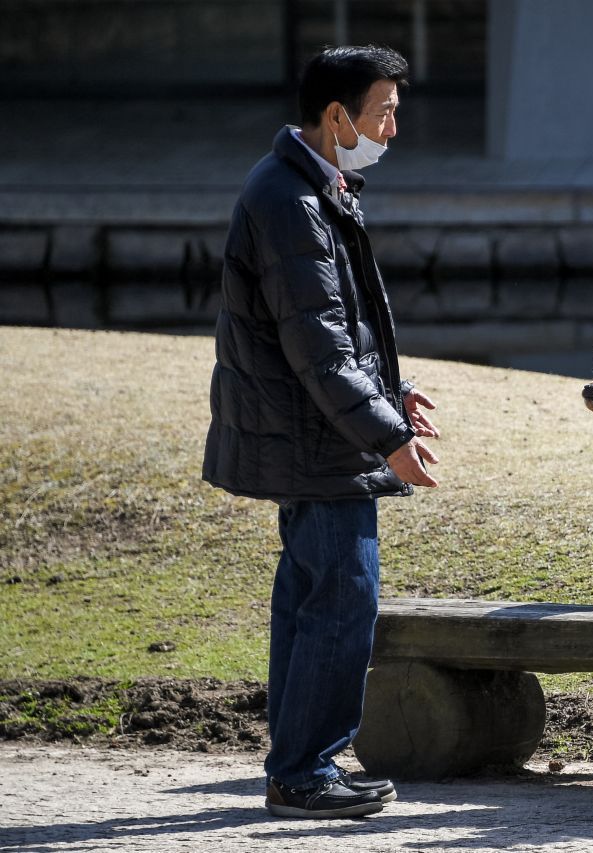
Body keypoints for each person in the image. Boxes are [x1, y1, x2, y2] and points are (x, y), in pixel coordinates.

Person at [202, 45, 440, 819]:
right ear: (337, 116)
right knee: (343, 598)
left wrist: (395, 392)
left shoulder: (309, 186)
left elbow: (339, 329)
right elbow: (320, 348)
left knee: (313, 599)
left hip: (315, 434)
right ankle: (305, 772)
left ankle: (298, 764)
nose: (391, 129)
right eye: (383, 113)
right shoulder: (290, 200)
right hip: (318, 443)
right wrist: (387, 435)